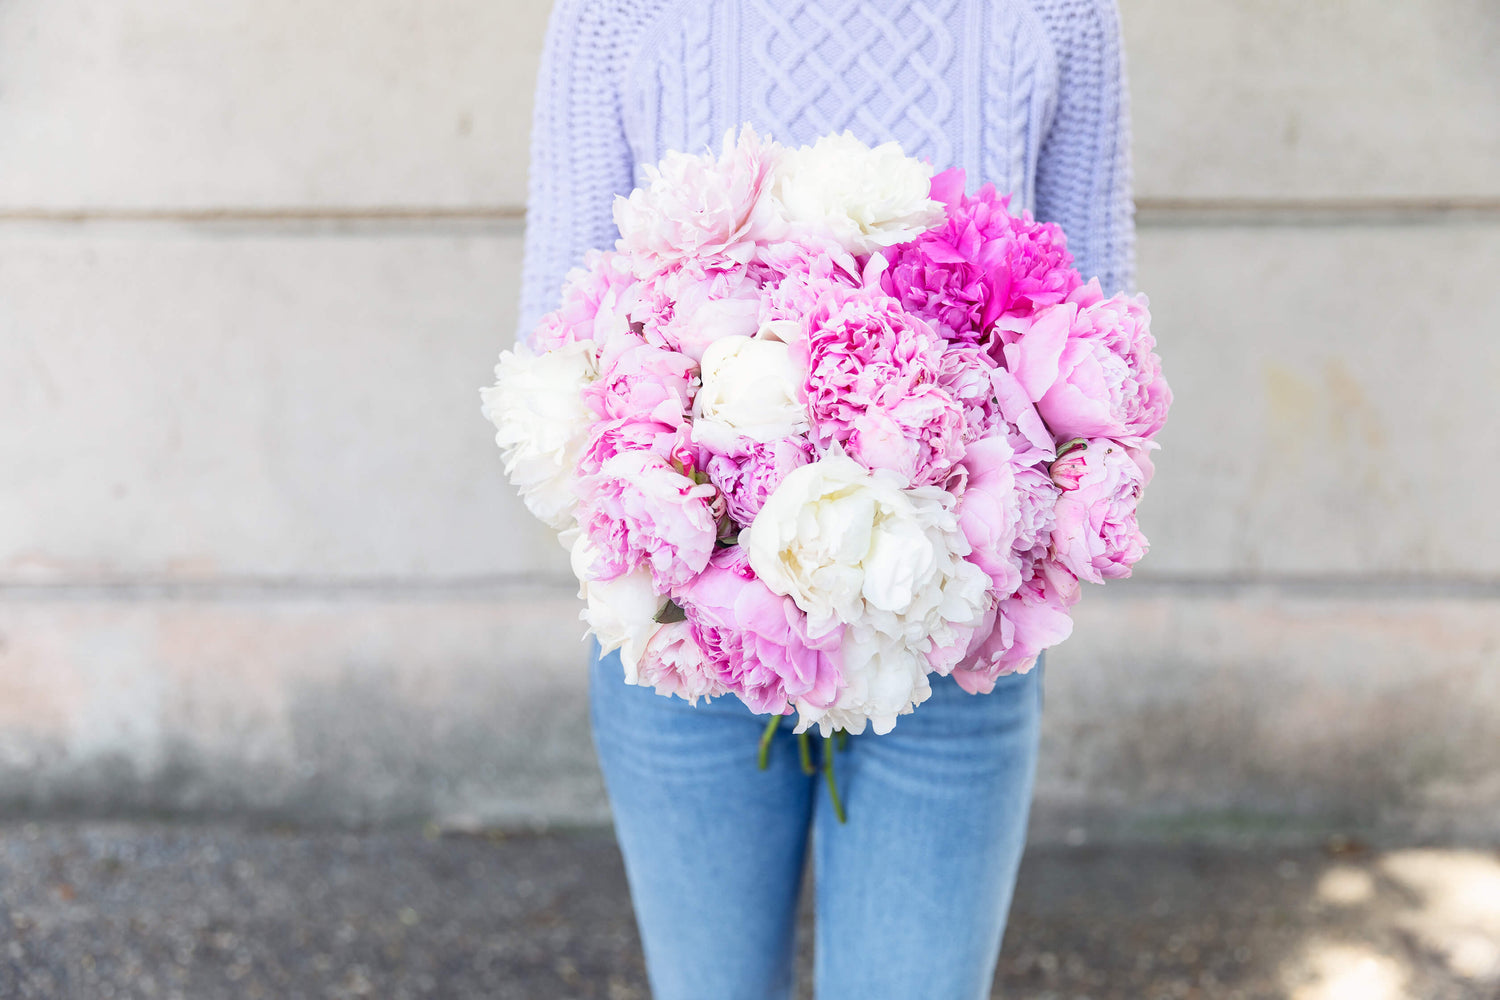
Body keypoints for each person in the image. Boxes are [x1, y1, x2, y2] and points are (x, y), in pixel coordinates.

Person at [517, 2, 1135, 997]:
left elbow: (1098, 338)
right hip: (691, 645)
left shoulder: (1057, 16)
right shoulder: (616, 15)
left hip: (951, 651)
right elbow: (559, 343)